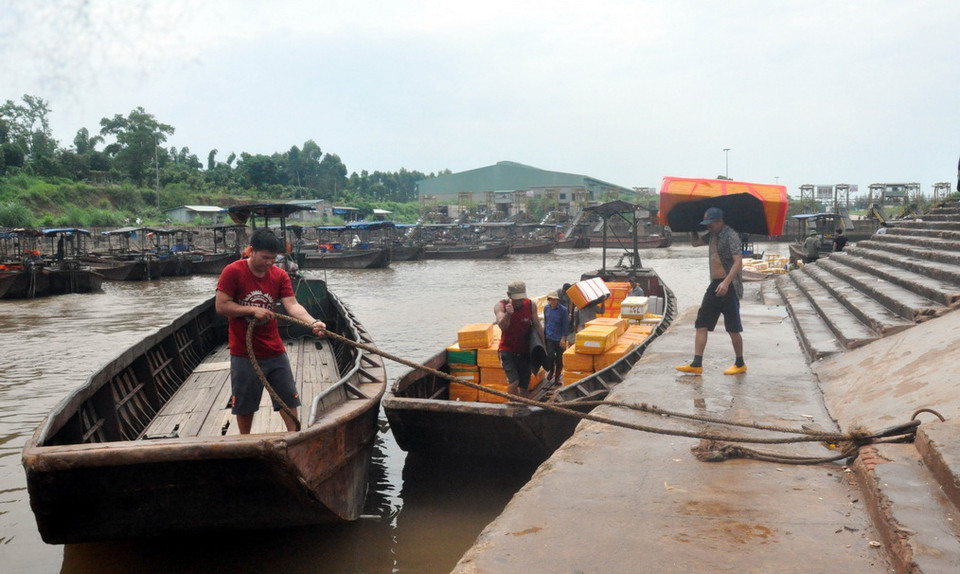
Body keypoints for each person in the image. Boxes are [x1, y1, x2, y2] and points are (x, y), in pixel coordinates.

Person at [215, 228, 326, 434]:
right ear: (250, 251)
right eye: (264, 257)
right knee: (245, 404)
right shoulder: (233, 271)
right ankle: (244, 441)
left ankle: (294, 438)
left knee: (287, 398)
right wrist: (251, 309)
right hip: (244, 352)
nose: (268, 263)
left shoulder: (280, 275)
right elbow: (221, 306)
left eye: (273, 259)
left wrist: (313, 322)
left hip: (274, 350)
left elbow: (292, 306)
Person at [676, 207, 746, 376]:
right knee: (701, 324)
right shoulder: (712, 235)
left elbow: (738, 262)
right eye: (706, 224)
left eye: (711, 224)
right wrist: (691, 227)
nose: (709, 227)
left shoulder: (731, 235)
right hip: (714, 285)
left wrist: (726, 283)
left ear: (720, 221)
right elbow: (695, 243)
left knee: (733, 328)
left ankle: (740, 363)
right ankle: (696, 363)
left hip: (729, 287)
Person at [494, 280, 546, 398]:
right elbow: (502, 326)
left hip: (525, 350)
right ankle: (513, 405)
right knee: (514, 382)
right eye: (516, 299)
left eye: (521, 298)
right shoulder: (500, 306)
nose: (519, 302)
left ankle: (524, 406)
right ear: (509, 295)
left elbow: (538, 325)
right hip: (507, 350)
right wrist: (508, 314)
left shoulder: (530, 305)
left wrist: (544, 345)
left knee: (524, 385)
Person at [542, 291, 569, 385]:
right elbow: (546, 322)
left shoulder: (563, 310)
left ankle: (557, 377)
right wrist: (543, 336)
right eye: (551, 300)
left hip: (559, 338)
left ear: (557, 300)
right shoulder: (546, 308)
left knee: (559, 359)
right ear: (549, 300)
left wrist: (563, 338)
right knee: (549, 356)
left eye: (555, 300)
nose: (553, 301)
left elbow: (565, 325)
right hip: (549, 336)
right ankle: (551, 371)